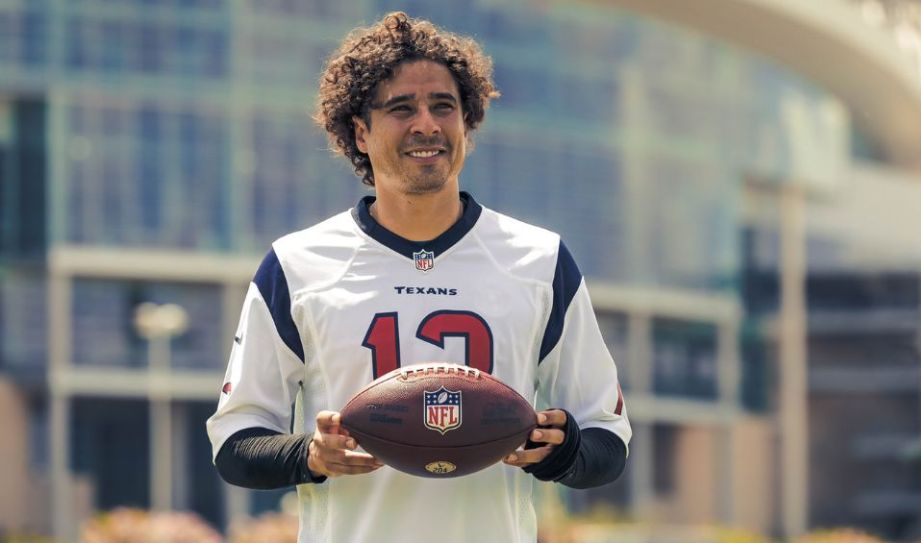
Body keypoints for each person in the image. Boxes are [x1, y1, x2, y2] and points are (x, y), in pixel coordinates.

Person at [207, 12, 630, 543]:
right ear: (360, 132)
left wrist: (560, 451)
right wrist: (309, 454)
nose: (426, 124)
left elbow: (608, 443)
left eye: (443, 107)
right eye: (401, 108)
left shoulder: (540, 260)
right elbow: (235, 443)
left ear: (467, 126)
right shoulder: (297, 263)